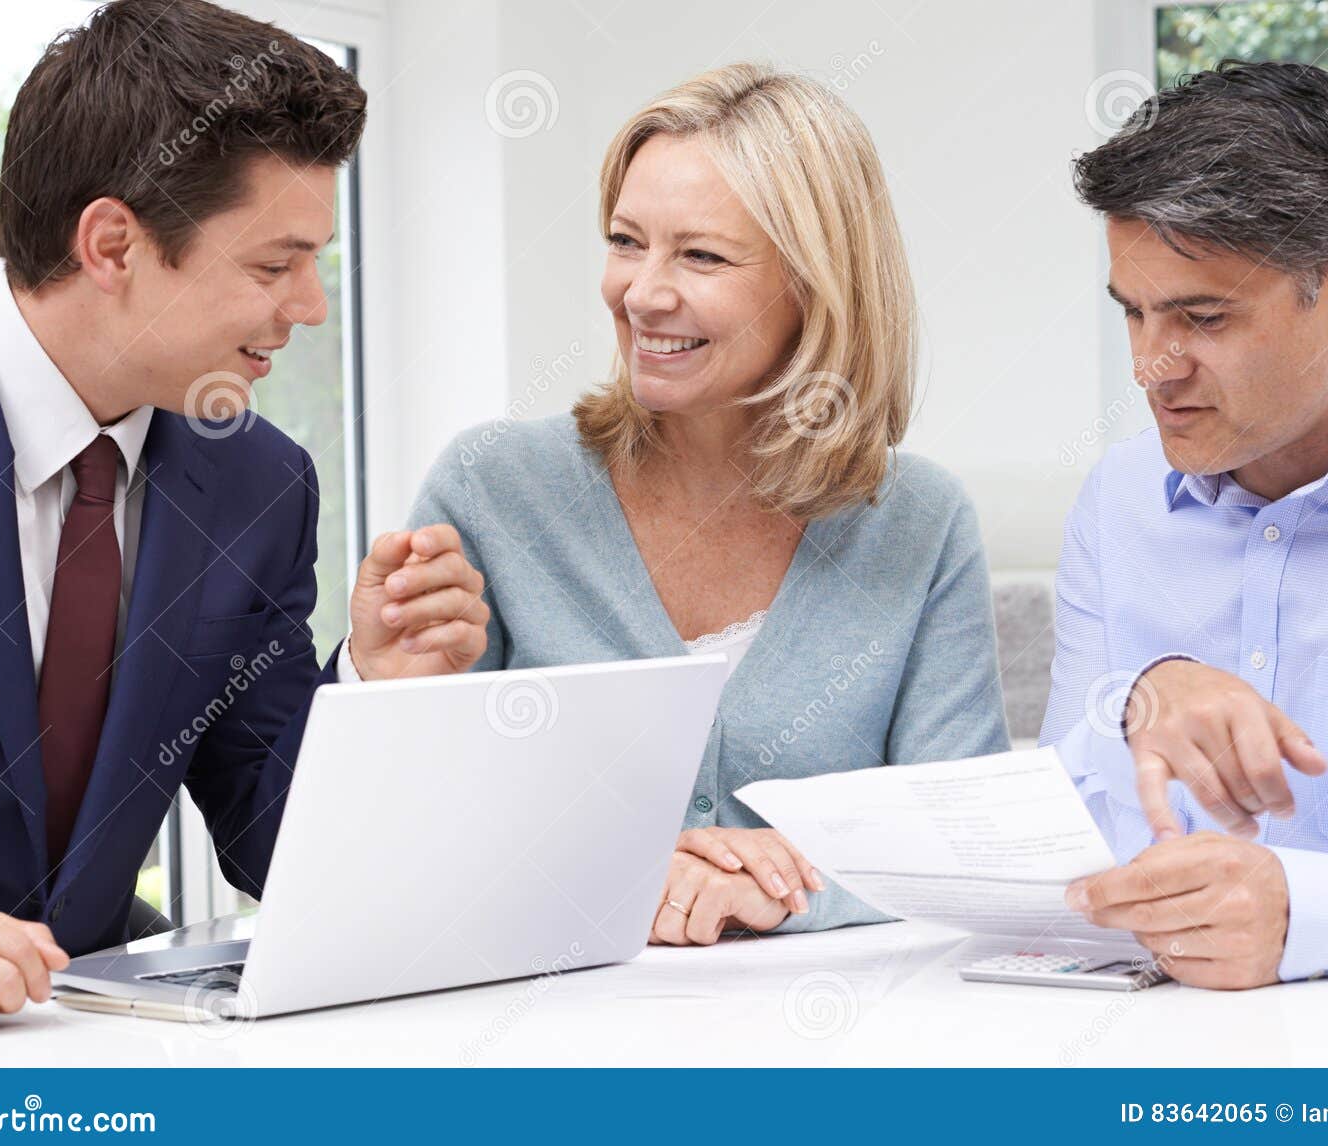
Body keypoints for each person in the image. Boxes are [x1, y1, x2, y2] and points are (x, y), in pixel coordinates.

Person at [0, 0, 487, 1039]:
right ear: (113, 243)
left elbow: (270, 837)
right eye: (273, 264)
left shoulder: (258, 484)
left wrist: (373, 693)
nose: (310, 307)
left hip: (92, 1054)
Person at [409, 63, 1010, 947]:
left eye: (701, 255)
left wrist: (782, 890)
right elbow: (425, 827)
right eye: (625, 241)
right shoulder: (493, 488)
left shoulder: (918, 522)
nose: (642, 292)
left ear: (817, 283)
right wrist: (623, 870)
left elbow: (961, 846)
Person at [1045, 60, 1328, 989]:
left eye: (1202, 318)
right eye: (1135, 315)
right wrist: (1137, 701)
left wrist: (1317, 914)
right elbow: (1060, 836)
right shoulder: (1119, 502)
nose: (1152, 369)